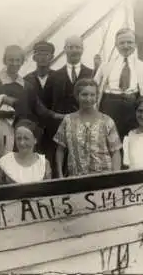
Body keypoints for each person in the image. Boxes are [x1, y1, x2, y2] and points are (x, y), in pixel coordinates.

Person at [94, 28, 143, 139]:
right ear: (116, 44)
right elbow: (93, 88)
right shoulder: (106, 66)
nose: (126, 46)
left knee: (132, 141)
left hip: (133, 109)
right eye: (122, 43)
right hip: (109, 108)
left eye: (129, 42)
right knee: (109, 141)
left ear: (135, 44)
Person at [43, 35, 93, 177]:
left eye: (77, 47)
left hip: (85, 126)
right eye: (70, 47)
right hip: (59, 128)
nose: (74, 50)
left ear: (82, 50)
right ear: (65, 50)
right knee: (61, 166)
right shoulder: (54, 76)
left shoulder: (91, 73)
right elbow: (47, 103)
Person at [54, 79, 122, 177]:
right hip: (76, 177)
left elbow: (115, 151)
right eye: (84, 94)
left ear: (97, 96)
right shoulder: (68, 120)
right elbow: (60, 150)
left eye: (92, 95)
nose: (88, 99)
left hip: (104, 177)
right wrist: (60, 175)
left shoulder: (107, 121)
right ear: (77, 96)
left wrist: (115, 177)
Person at [0, 45, 63, 127]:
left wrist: (62, 116)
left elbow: (41, 110)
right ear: (5, 61)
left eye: (17, 60)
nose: (14, 63)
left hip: (22, 132)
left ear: (22, 62)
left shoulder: (27, 86)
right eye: (11, 60)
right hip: (0, 130)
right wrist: (1, 99)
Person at [24, 41, 57, 174]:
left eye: (46, 54)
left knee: (53, 162)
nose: (43, 58)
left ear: (52, 57)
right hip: (34, 129)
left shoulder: (59, 77)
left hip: (54, 129)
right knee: (34, 163)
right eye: (39, 54)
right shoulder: (27, 80)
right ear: (34, 57)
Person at [0, 119, 52, 185]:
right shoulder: (5, 161)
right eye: (19, 138)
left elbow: (48, 191)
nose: (22, 143)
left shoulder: (43, 164)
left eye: (26, 138)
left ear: (35, 140)